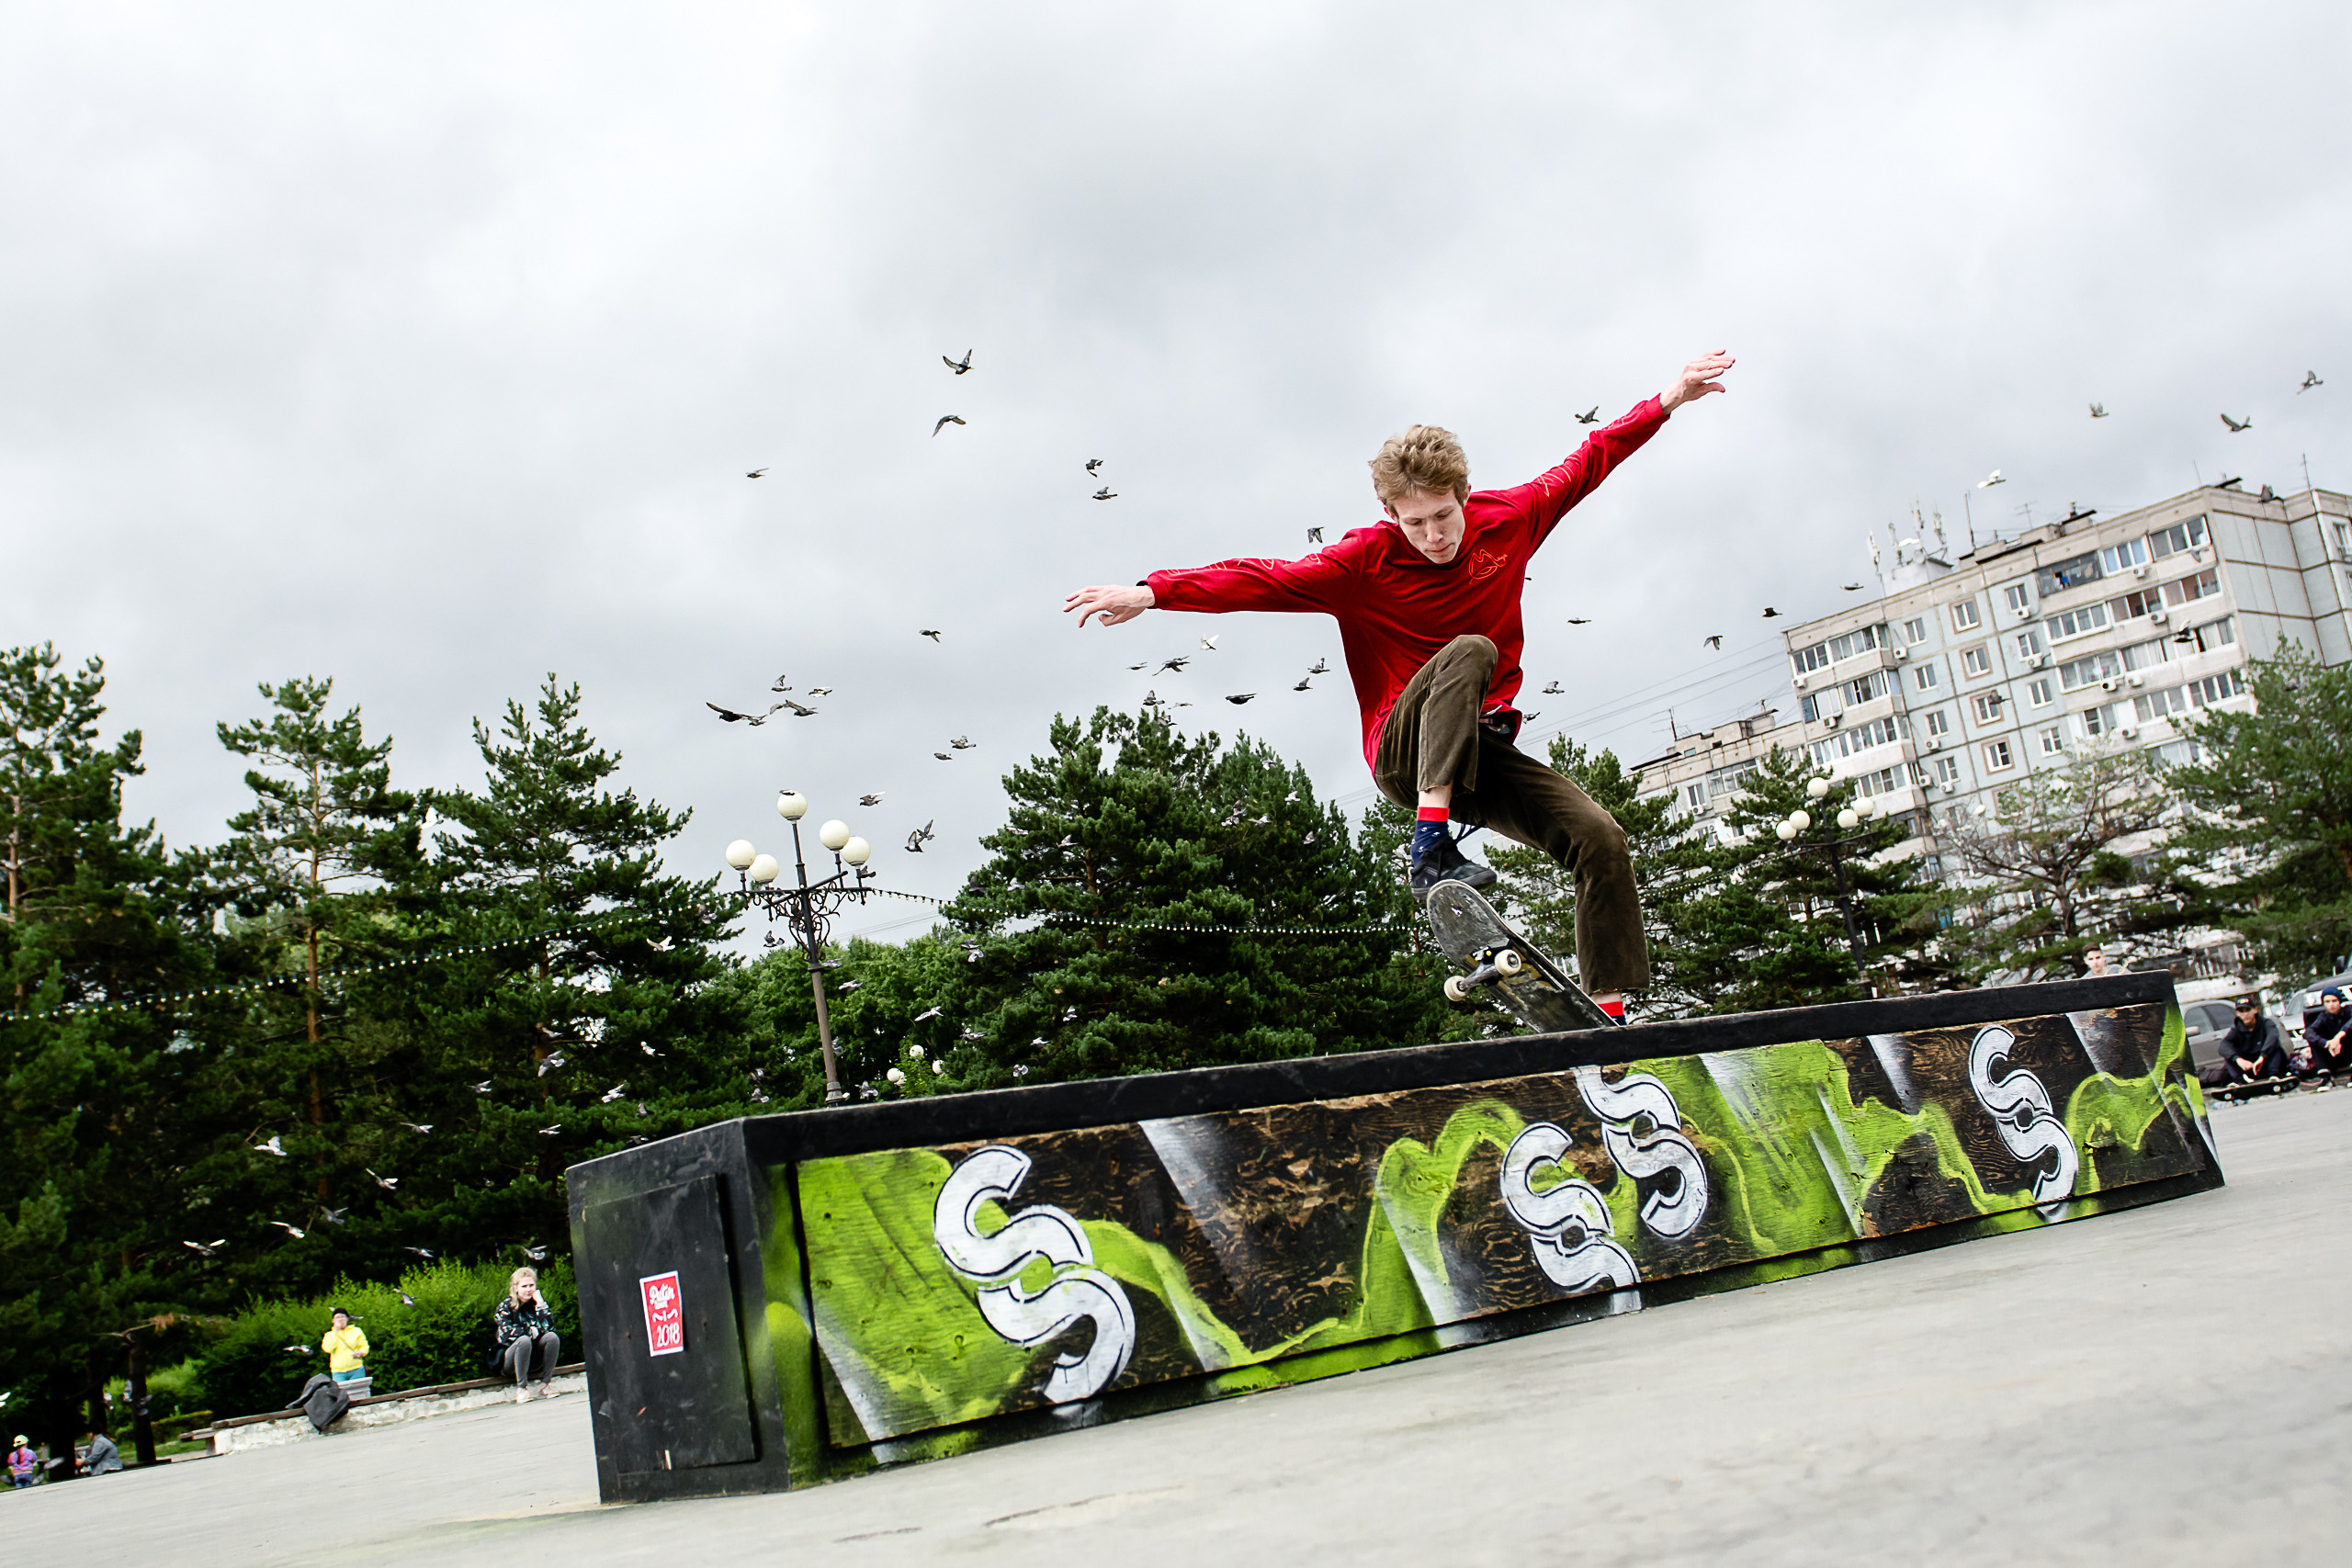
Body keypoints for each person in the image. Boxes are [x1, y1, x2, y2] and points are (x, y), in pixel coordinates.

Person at [1065, 351, 1737, 1021]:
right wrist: (1153, 592)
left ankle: (1610, 1014)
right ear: (1390, 512)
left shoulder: (1514, 517)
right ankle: (1429, 844)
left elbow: (1591, 458)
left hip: (1476, 751)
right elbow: (1262, 577)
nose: (1433, 536)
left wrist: (1669, 397)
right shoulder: (1363, 561)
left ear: (1463, 497)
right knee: (1470, 651)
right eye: (1414, 523)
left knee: (1601, 838)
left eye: (1443, 516)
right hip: (1402, 751)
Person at [493, 1268, 560, 1403]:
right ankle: (522, 1389)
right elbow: (506, 1335)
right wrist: (531, 1331)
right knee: (523, 1340)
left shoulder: (535, 1304)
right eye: (524, 1286)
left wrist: (541, 1304)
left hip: (532, 1358)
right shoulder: (505, 1307)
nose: (528, 1289)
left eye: (531, 1286)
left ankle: (545, 1386)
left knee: (552, 1337)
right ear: (516, 1288)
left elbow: (549, 1328)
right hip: (510, 1360)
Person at [2220, 998, 2290, 1086]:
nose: (2245, 1014)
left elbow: (2273, 1037)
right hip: (2251, 1068)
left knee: (2275, 1047)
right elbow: (2223, 1046)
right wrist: (2239, 1060)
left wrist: (2263, 1056)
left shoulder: (2267, 1023)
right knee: (2229, 1054)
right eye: (2241, 1011)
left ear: (2255, 1010)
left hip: (2267, 1063)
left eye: (2248, 1010)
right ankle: (2238, 1082)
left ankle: (2274, 1076)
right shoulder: (2236, 1029)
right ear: (2237, 1014)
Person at [2303, 987, 2352, 1078]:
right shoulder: (2323, 1017)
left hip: (2348, 1051)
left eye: (2334, 1001)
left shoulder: (2348, 1010)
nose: (2331, 1005)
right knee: (2314, 1039)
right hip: (2333, 1053)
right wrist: (2326, 1043)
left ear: (2340, 1002)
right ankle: (2325, 1076)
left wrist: (2339, 1037)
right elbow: (2308, 1032)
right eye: (2327, 1002)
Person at [321, 1306, 369, 1385]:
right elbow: (328, 1349)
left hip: (356, 1369)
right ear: (333, 1321)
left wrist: (360, 1353)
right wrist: (335, 1332)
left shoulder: (356, 1331)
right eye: (337, 1318)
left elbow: (364, 1346)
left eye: (342, 1317)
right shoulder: (329, 1335)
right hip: (338, 1372)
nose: (340, 1320)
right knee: (341, 1395)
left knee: (358, 1393)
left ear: (347, 1319)